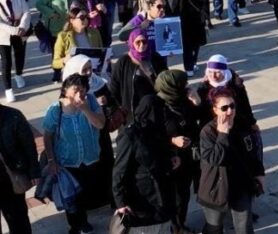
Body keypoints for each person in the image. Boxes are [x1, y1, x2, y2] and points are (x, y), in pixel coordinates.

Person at [42, 74, 107, 234]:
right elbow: (48, 136)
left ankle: (82, 220)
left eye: (83, 91)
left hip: (90, 159)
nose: (80, 95)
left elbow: (100, 124)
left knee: (85, 194)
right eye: (76, 90)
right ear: (65, 90)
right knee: (71, 199)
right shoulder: (55, 110)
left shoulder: (90, 102)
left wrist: (85, 109)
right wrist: (51, 160)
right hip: (67, 163)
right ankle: (76, 226)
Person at [197, 87, 265, 234]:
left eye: (232, 106)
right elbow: (215, 159)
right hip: (215, 188)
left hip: (241, 185)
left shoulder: (242, 124)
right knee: (214, 228)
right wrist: (223, 133)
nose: (229, 111)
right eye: (224, 107)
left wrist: (259, 173)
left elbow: (253, 153)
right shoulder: (208, 132)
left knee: (244, 228)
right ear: (215, 109)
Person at [112, 77, 176, 232]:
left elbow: (162, 153)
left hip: (163, 196)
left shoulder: (157, 130)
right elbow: (119, 173)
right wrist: (120, 204)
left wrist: (173, 157)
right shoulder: (130, 135)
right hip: (142, 201)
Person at [154, 70, 201, 234]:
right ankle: (173, 227)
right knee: (171, 196)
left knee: (183, 194)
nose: (187, 86)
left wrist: (197, 101)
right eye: (183, 84)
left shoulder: (183, 99)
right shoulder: (156, 106)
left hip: (188, 157)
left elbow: (198, 120)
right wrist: (172, 141)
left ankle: (180, 224)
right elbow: (149, 136)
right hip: (169, 159)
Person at [110, 28, 169, 126]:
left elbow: (166, 79)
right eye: (138, 42)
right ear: (132, 42)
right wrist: (119, 110)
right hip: (132, 112)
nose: (142, 45)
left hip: (154, 108)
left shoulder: (155, 57)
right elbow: (114, 88)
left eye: (144, 41)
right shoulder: (123, 62)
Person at [0, 103, 38, 234]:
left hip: (11, 177)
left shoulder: (13, 116)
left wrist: (34, 172)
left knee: (18, 219)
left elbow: (29, 145)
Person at [173, 0, 211, 75]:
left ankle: (193, 62)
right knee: (187, 45)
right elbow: (176, 3)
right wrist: (174, 19)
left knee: (197, 43)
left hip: (198, 18)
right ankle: (188, 67)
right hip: (185, 19)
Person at [0, 0, 31, 103]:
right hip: (3, 35)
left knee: (20, 55)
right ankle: (8, 89)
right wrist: (13, 30)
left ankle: (19, 74)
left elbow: (26, 12)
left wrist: (22, 26)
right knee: (6, 62)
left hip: (20, 32)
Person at [52, 8, 104, 76]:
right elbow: (55, 63)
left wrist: (105, 59)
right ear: (72, 20)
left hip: (92, 73)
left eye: (86, 17)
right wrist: (64, 60)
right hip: (73, 75)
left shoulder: (95, 33)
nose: (85, 19)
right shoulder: (63, 36)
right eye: (82, 17)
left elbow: (102, 52)